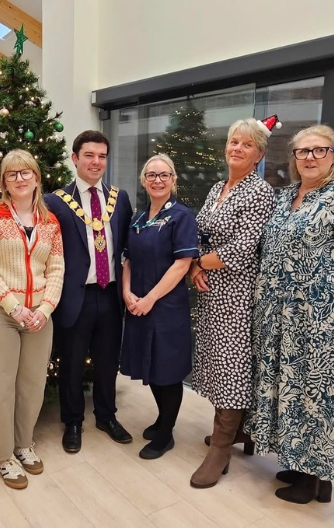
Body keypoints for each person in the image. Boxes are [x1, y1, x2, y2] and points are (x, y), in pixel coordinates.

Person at [245, 124, 334, 504]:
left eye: (319, 150)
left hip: (320, 320)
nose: (309, 157)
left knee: (316, 394)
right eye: (302, 151)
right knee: (289, 390)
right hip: (278, 317)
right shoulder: (285, 195)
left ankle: (315, 478)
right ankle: (301, 462)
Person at [188, 117, 277, 489]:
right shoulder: (217, 187)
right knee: (217, 362)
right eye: (233, 141)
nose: (237, 148)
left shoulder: (260, 192)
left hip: (238, 294)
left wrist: (197, 263)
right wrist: (195, 265)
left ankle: (221, 447)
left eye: (247, 144)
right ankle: (239, 432)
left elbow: (243, 249)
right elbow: (202, 231)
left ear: (258, 155)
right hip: (212, 292)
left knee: (232, 368)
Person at [0, 149, 64, 489]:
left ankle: (24, 444)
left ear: (37, 178)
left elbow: (56, 268)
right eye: (12, 174)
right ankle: (3, 455)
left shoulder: (50, 222)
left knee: (32, 384)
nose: (20, 178)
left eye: (26, 173)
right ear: (4, 181)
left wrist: (45, 308)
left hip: (39, 315)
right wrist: (13, 306)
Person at [45, 130, 134, 454]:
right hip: (75, 296)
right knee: (71, 363)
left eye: (101, 156)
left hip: (109, 294)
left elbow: (127, 246)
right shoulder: (54, 201)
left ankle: (106, 416)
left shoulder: (118, 198)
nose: (96, 162)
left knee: (108, 361)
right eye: (89, 156)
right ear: (75, 159)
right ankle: (72, 421)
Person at [120, 154, 199, 460]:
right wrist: (127, 292)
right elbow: (127, 259)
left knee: (167, 371)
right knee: (150, 367)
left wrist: (150, 299)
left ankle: (166, 434)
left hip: (165, 309)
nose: (157, 180)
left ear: (173, 180)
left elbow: (181, 265)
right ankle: (161, 419)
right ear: (143, 180)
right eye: (151, 175)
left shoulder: (181, 216)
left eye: (164, 175)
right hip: (137, 305)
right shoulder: (138, 218)